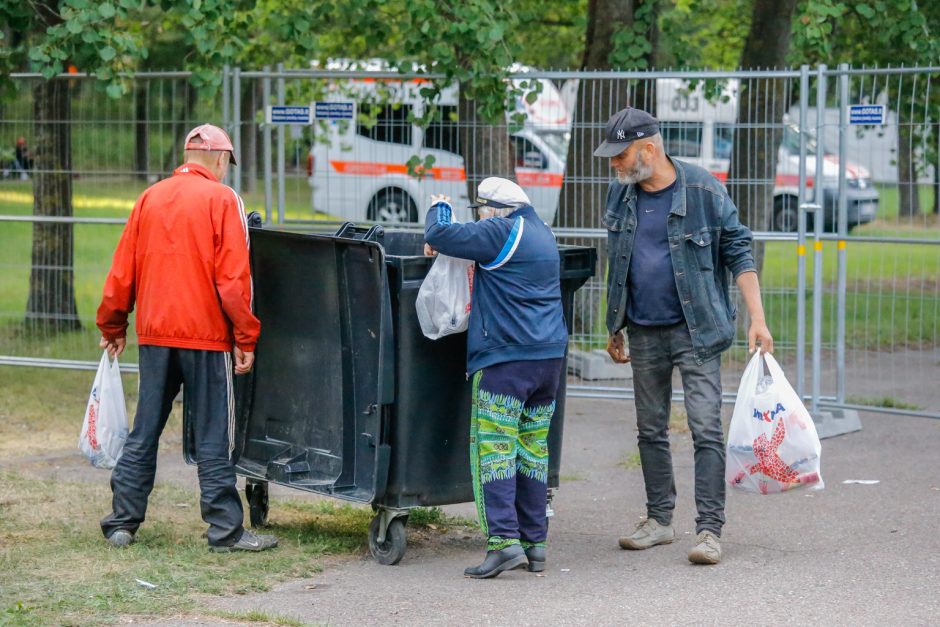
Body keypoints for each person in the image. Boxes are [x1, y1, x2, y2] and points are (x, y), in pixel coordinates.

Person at [594, 107, 774, 565]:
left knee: (706, 429)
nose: (614, 164)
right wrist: (615, 324)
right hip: (643, 329)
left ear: (649, 150)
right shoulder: (621, 196)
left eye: (622, 155)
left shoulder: (702, 189)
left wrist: (758, 318)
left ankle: (709, 531)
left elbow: (738, 249)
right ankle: (658, 521)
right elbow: (619, 266)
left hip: (697, 332)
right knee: (650, 430)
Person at [96, 124, 277, 553]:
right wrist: (245, 336)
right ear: (218, 158)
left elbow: (123, 269)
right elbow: (235, 278)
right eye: (226, 163)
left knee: (146, 430)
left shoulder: (150, 198)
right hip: (207, 336)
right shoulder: (222, 199)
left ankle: (122, 522)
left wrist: (113, 325)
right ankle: (225, 531)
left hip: (156, 334)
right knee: (215, 434)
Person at [424, 177, 568, 579]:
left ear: (491, 208)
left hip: (507, 360)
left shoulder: (501, 230)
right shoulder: (541, 231)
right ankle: (535, 544)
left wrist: (439, 206)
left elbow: (440, 232)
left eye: (482, 211)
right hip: (549, 359)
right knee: (532, 452)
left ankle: (503, 543)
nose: (481, 218)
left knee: (495, 450)